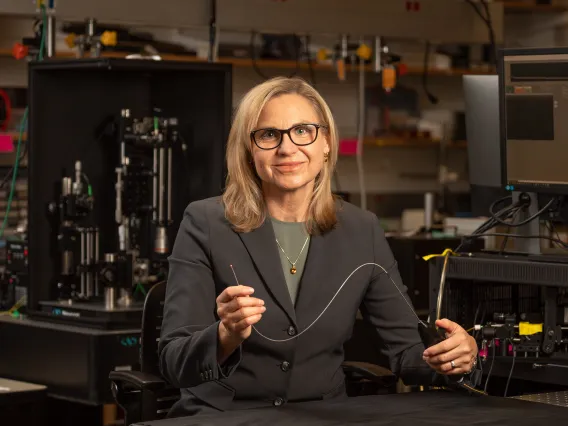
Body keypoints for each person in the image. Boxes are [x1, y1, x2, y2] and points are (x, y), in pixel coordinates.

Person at [158, 76, 478, 417]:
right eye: (268, 134)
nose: (287, 148)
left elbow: (408, 352)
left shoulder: (362, 229)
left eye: (302, 130)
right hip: (227, 416)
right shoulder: (206, 222)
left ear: (326, 143)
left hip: (322, 417)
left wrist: (453, 358)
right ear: (248, 151)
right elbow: (173, 361)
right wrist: (226, 335)